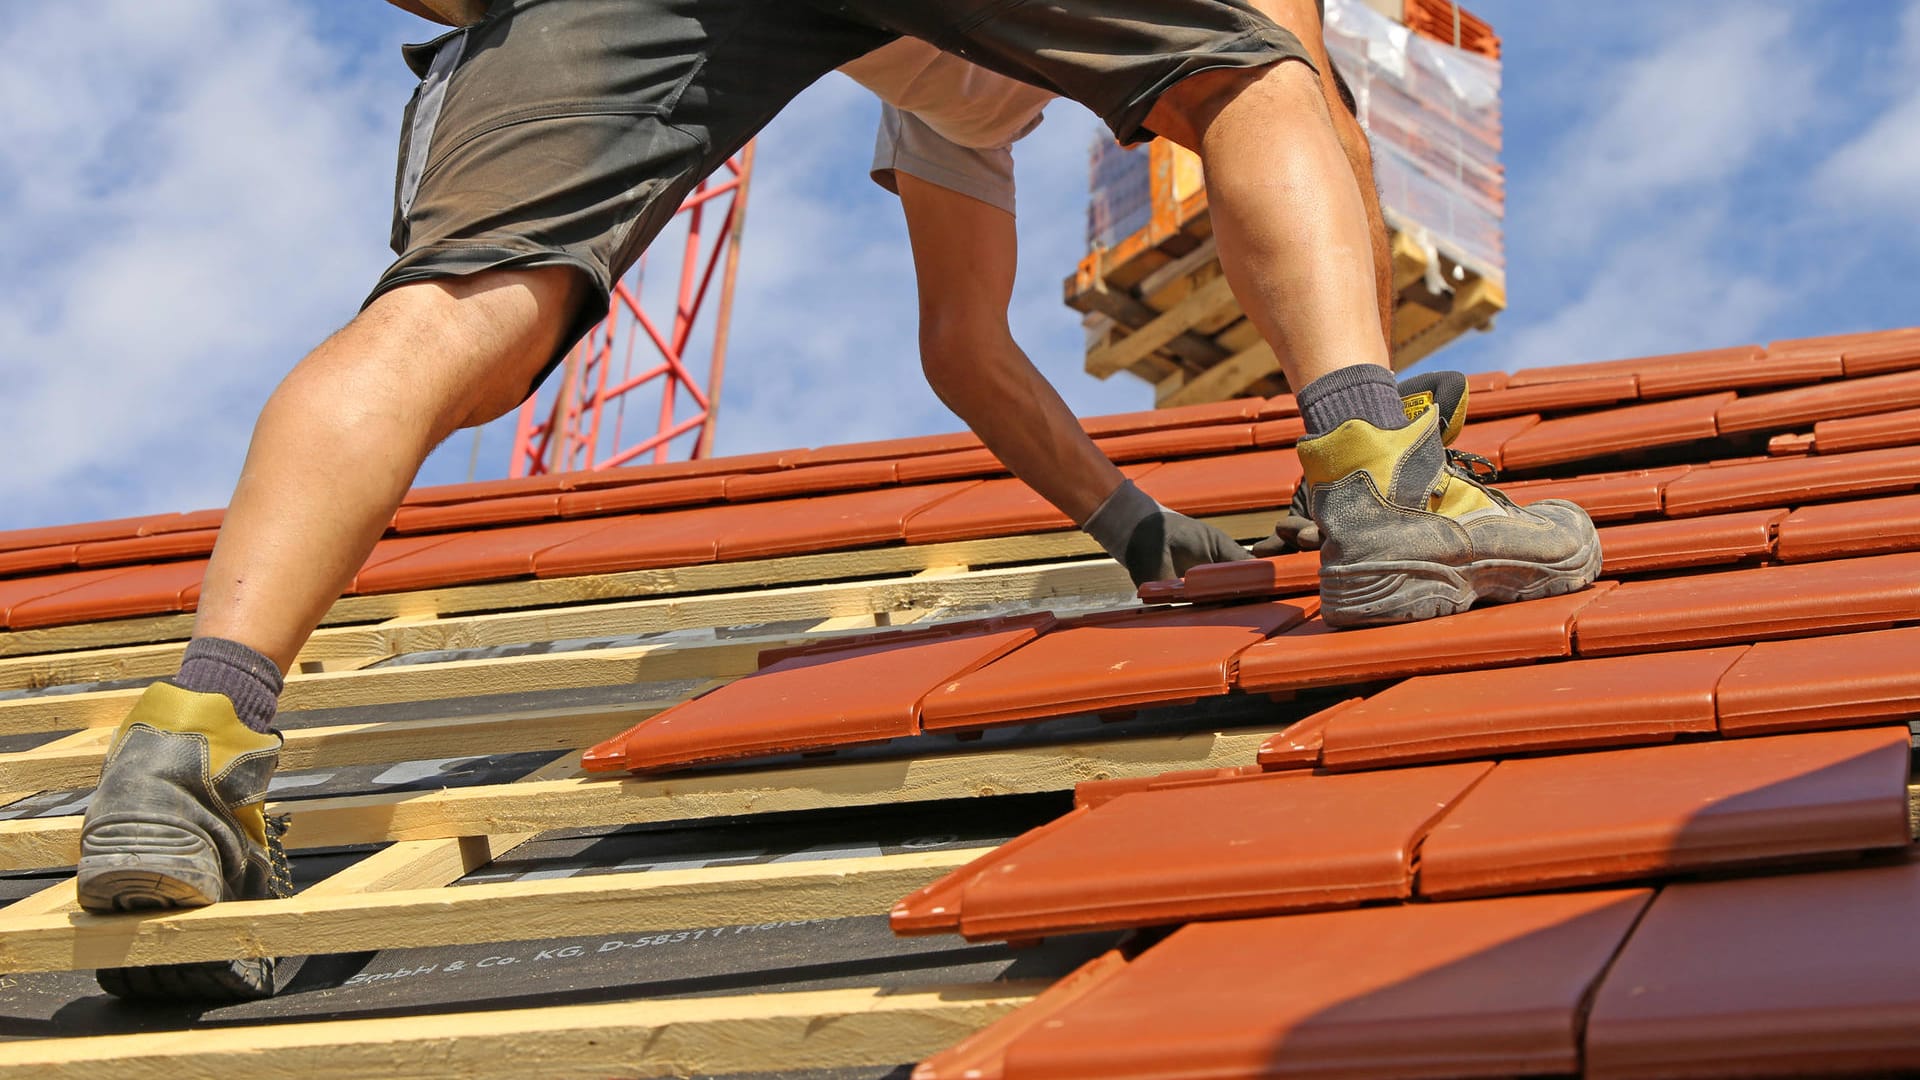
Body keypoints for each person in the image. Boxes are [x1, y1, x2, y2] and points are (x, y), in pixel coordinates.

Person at [76, 0, 1600, 1001]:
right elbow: (1295, 95)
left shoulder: (942, 93)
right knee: (1252, 78)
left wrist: (1135, 527)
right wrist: (1368, 394)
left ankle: (187, 748)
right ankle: (1386, 483)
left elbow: (964, 350)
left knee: (447, 309)